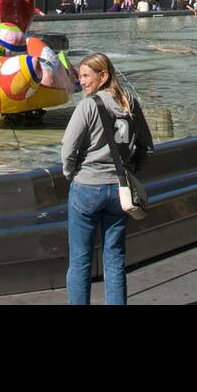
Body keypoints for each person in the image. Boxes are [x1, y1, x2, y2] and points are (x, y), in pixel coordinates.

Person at [61, 53, 154, 305]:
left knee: (80, 260)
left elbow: (68, 148)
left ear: (103, 76)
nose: (81, 81)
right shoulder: (130, 103)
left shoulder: (88, 105)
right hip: (119, 191)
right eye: (80, 76)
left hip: (87, 189)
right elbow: (146, 146)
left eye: (86, 76)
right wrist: (130, 168)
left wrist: (72, 174)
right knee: (114, 258)